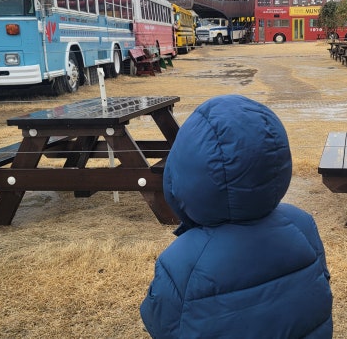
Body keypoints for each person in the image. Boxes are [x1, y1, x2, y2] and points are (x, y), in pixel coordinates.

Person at [140, 94, 333, 338]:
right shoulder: (303, 225)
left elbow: (159, 323)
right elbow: (320, 290)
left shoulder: (182, 260)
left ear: (184, 171)